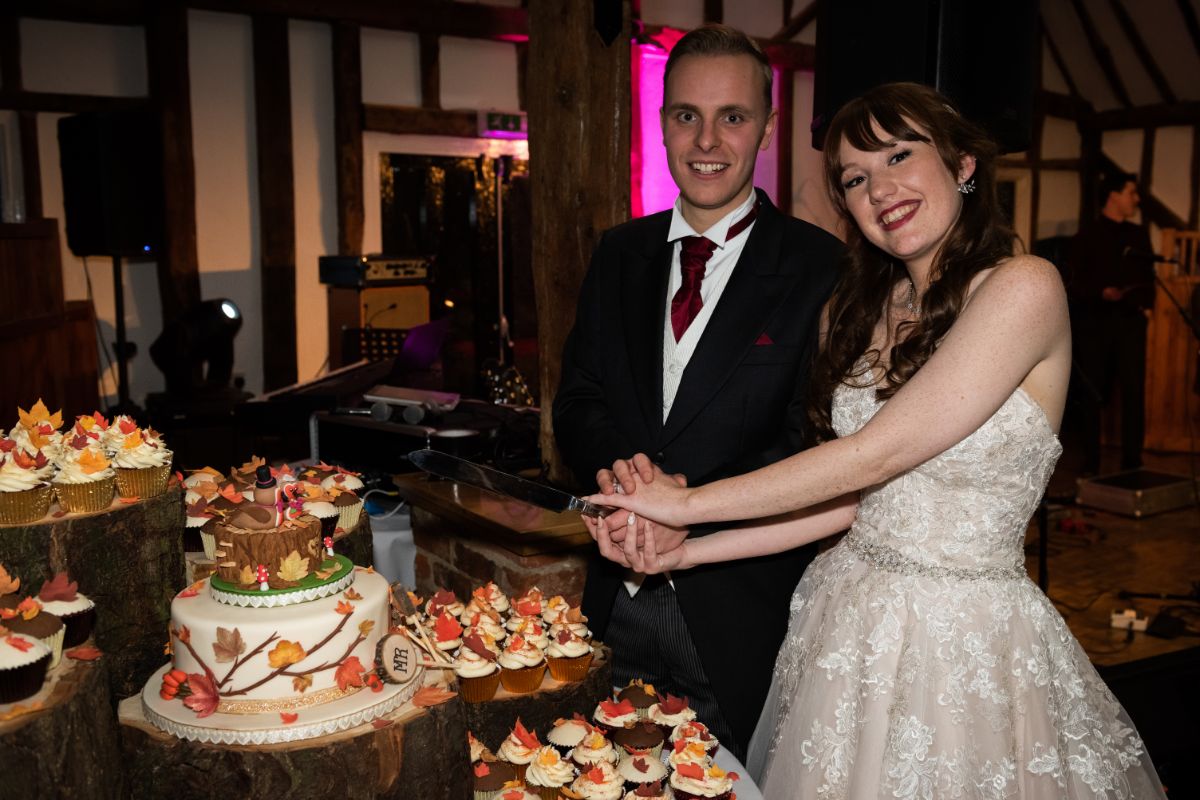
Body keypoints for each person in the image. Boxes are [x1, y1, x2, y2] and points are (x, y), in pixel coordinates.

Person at [588, 83, 1165, 798]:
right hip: (844, 628)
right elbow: (856, 501)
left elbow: (876, 452)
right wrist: (688, 551)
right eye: (856, 178)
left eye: (899, 155)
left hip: (963, 646)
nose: (880, 188)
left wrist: (685, 504)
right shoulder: (859, 313)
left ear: (961, 163)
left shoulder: (1023, 288)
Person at [552, 24, 843, 760]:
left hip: (743, 618)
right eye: (687, 114)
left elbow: (818, 443)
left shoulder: (823, 268)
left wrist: (687, 509)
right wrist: (622, 479)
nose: (706, 139)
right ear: (662, 123)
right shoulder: (619, 253)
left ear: (768, 128)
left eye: (733, 117)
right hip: (613, 605)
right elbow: (579, 397)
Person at [1067, 172, 1156, 473]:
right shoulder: (1086, 236)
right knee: (1093, 394)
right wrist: (1100, 292)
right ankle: (1091, 461)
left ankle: (1133, 462)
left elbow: (1148, 278)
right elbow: (1073, 285)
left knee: (1134, 393)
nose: (1137, 199)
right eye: (1131, 192)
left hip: (1131, 325)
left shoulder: (1138, 235)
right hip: (1095, 326)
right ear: (1113, 196)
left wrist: (1147, 308)